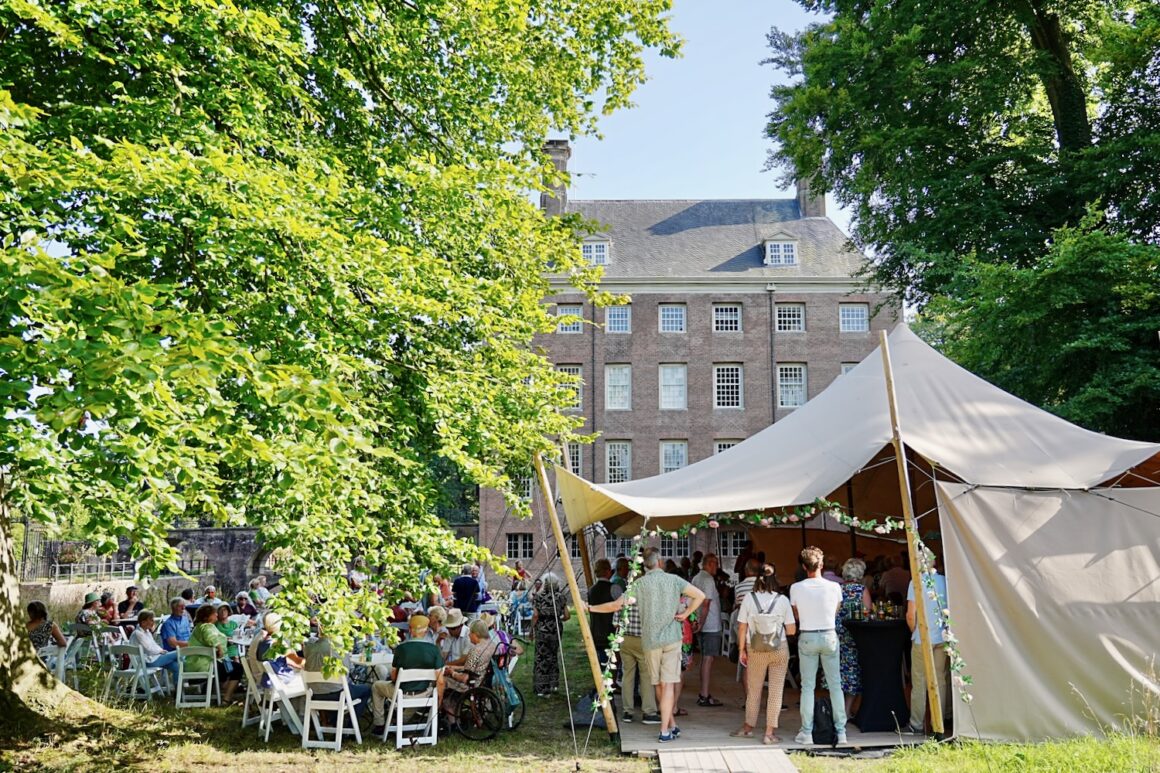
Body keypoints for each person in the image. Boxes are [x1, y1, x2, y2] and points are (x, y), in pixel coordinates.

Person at [585, 547, 705, 744]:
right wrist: (685, 614)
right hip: (672, 638)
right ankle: (664, 730)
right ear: (660, 562)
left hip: (650, 641)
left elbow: (616, 606)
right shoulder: (674, 580)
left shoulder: (639, 584)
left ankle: (671, 725)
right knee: (667, 686)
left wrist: (590, 607)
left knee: (658, 684)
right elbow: (699, 595)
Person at [790, 546, 847, 745]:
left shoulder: (796, 588)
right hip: (829, 634)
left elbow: (796, 615)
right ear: (821, 565)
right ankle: (841, 732)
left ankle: (807, 732)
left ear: (804, 567)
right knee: (835, 685)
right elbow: (836, 611)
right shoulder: (834, 587)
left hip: (807, 635)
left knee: (808, 687)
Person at [733, 568, 796, 744]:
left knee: (754, 690)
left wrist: (741, 650)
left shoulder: (748, 598)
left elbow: (742, 626)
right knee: (776, 691)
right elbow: (791, 630)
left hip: (755, 647)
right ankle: (769, 733)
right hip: (779, 648)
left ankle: (748, 728)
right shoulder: (782, 600)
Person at [369, 614, 445, 736]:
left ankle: (379, 724)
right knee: (421, 690)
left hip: (402, 693)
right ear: (426, 630)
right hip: (423, 694)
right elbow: (440, 680)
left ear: (410, 630)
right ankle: (402, 720)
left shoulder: (401, 648)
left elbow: (394, 677)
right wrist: (439, 699)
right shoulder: (434, 649)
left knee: (376, 686)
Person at [905, 554, 951, 735]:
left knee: (919, 681)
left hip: (922, 638)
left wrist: (914, 631)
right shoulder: (945, 581)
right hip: (942, 636)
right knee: (941, 680)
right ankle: (939, 722)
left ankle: (916, 724)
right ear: (934, 562)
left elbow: (911, 614)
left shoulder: (915, 582)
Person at [618, 577, 660, 725]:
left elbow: (615, 621)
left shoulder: (623, 596)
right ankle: (649, 712)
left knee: (627, 675)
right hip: (643, 640)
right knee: (646, 676)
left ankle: (627, 711)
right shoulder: (649, 598)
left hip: (625, 639)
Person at [837, 557, 873, 718]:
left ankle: (838, 709)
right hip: (855, 634)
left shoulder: (837, 588)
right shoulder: (861, 590)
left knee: (837, 672)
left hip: (838, 634)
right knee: (852, 672)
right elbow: (868, 610)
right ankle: (846, 709)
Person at [443, 618, 499, 717]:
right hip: (484, 680)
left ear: (475, 634)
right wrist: (453, 668)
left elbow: (465, 677)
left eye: (470, 633)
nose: (468, 635)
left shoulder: (475, 651)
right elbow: (471, 668)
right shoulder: (492, 645)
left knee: (442, 681)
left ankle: (452, 718)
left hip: (472, 684)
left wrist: (452, 672)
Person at [188, 604, 241, 702]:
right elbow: (210, 638)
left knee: (229, 666)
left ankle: (216, 691)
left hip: (195, 664)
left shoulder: (199, 627)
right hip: (205, 665)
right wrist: (219, 648)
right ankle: (226, 698)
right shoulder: (206, 627)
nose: (217, 614)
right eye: (214, 613)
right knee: (238, 668)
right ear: (206, 617)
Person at [690, 553, 724, 707]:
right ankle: (704, 694)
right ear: (709, 564)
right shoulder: (708, 580)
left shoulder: (696, 578)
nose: (717, 566)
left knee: (705, 658)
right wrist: (702, 623)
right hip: (709, 624)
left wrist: (696, 622)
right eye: (715, 563)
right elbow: (706, 604)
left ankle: (703, 693)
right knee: (708, 659)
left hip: (700, 622)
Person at [530, 572, 570, 697]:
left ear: (545, 584)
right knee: (553, 655)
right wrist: (557, 619)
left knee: (541, 657)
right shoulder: (561, 597)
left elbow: (536, 615)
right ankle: (553, 685)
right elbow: (567, 615)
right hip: (556, 630)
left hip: (542, 630)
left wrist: (531, 629)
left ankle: (542, 688)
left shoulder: (538, 597)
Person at [586, 558, 623, 688]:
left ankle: (603, 687)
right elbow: (622, 608)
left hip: (595, 630)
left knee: (601, 662)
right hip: (610, 631)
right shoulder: (615, 588)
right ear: (608, 571)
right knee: (612, 662)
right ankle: (608, 689)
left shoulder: (591, 590)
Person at [130, 609, 180, 683]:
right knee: (179, 652)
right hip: (148, 661)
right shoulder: (138, 633)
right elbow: (149, 648)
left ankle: (178, 691)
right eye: (151, 620)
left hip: (153, 658)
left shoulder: (146, 631)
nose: (153, 622)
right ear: (143, 622)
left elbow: (154, 644)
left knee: (176, 667)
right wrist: (160, 651)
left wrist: (161, 651)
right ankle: (193, 673)